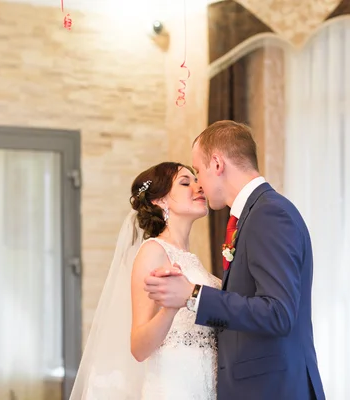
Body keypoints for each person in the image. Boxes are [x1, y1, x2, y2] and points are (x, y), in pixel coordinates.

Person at [144, 120, 326, 400]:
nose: (199, 184)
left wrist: (193, 294)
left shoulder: (268, 214)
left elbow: (278, 312)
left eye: (198, 171)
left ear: (217, 164)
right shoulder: (256, 214)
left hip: (273, 390)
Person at [69, 162, 221, 400]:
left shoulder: (191, 259)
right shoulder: (153, 251)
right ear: (159, 201)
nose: (198, 186)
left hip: (204, 387)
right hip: (174, 390)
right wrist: (170, 309)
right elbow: (139, 347)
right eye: (185, 182)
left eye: (196, 179)